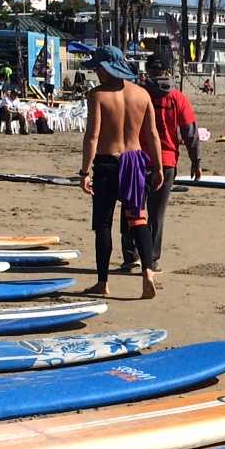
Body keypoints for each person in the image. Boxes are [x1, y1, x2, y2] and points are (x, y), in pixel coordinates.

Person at [78, 44, 162, 299]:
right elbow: (152, 134)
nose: (96, 74)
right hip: (136, 161)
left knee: (103, 224)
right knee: (139, 220)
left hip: (107, 163)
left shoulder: (98, 96)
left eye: (97, 69)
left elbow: (92, 137)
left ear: (104, 69)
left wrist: (84, 172)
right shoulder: (142, 95)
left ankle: (103, 283)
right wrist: (157, 167)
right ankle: (148, 273)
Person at [121, 51, 201, 278]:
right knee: (156, 214)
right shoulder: (178, 98)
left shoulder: (138, 93)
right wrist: (196, 162)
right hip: (166, 161)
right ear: (168, 70)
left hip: (136, 157)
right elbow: (190, 132)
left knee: (132, 208)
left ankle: (131, 257)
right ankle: (152, 259)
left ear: (149, 69)